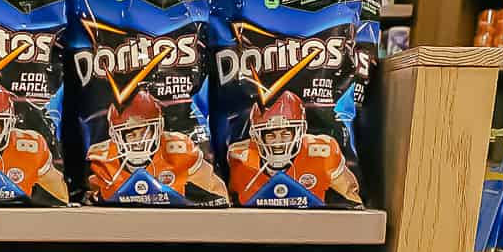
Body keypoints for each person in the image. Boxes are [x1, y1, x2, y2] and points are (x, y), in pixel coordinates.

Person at [85, 90, 226, 205]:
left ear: (158, 128)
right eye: (131, 134)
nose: (139, 141)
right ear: (115, 135)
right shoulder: (100, 157)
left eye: (145, 132)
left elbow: (218, 193)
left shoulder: (180, 150)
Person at [226, 92, 361, 206]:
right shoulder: (239, 156)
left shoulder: (322, 152)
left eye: (285, 134)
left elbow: (351, 201)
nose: (278, 142)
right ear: (257, 136)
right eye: (271, 135)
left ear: (299, 132)